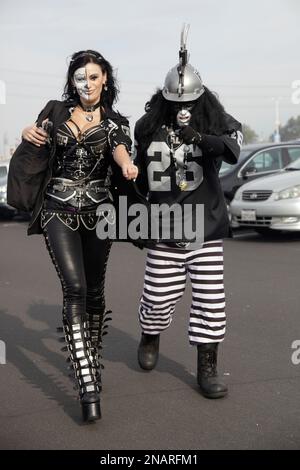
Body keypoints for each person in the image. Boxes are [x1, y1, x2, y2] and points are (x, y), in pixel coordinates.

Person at [7, 49, 138, 422]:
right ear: (73, 82)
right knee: (75, 288)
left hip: (100, 212)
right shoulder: (55, 110)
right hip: (57, 209)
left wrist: (127, 163)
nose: (87, 84)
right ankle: (86, 381)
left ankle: (91, 358)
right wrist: (25, 131)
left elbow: (118, 147)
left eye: (94, 77)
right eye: (81, 78)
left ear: (105, 80)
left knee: (95, 290)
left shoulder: (115, 121)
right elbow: (37, 138)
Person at [134, 26, 243, 399]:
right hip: (164, 225)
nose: (184, 108)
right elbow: (139, 178)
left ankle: (207, 366)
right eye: (177, 102)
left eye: (190, 102)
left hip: (205, 228)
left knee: (211, 301)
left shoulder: (217, 121)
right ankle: (150, 333)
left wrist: (200, 138)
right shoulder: (147, 128)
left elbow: (232, 149)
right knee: (158, 298)